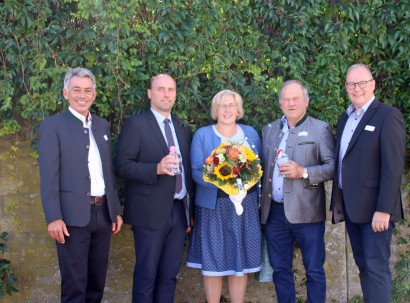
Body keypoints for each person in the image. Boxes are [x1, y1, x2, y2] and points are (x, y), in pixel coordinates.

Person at [38, 67, 123, 303]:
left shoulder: (102, 125)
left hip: (103, 215)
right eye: (76, 90)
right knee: (75, 286)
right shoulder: (52, 126)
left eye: (87, 90)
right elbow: (48, 177)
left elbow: (108, 172)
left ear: (94, 95)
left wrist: (115, 210)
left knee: (97, 284)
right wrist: (53, 217)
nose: (82, 95)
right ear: (66, 93)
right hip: (71, 219)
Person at [330, 63, 406, 303]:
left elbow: (393, 168)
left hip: (376, 211)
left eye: (362, 82)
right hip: (353, 210)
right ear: (346, 87)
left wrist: (384, 209)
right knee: (364, 266)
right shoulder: (345, 118)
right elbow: (342, 163)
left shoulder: (387, 115)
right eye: (351, 84)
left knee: (376, 268)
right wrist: (336, 203)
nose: (357, 88)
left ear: (372, 84)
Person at [115, 74, 194, 303]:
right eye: (161, 89)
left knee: (169, 275)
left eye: (171, 90)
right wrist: (155, 169)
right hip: (148, 212)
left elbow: (187, 171)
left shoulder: (181, 128)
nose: (166, 94)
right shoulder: (136, 125)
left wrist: (190, 214)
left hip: (179, 212)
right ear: (150, 93)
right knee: (146, 275)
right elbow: (122, 165)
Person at [260, 80, 335, 303]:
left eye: (295, 98)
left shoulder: (319, 128)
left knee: (313, 270)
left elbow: (332, 167)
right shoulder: (269, 130)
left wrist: (303, 172)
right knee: (280, 270)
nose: (291, 103)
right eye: (286, 99)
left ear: (306, 102)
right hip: (274, 214)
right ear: (280, 103)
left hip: (308, 212)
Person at [186, 90, 262, 303]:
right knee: (213, 264)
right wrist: (225, 181)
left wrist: (243, 181)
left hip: (243, 208)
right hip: (213, 208)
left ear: (239, 110)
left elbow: (258, 168)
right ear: (215, 110)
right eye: (222, 105)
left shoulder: (251, 133)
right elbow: (196, 171)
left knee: (240, 263)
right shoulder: (202, 134)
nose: (227, 110)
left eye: (231, 105)